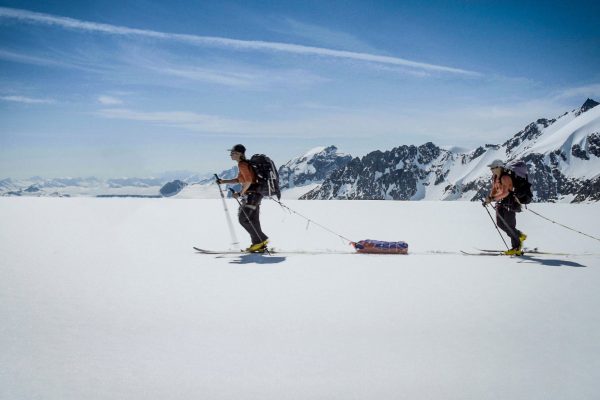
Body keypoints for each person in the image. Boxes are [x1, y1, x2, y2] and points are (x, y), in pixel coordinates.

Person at [217, 144, 269, 253]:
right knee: (253, 219)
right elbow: (240, 179)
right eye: (231, 152)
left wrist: (240, 193)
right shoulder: (245, 164)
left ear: (240, 154)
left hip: (252, 195)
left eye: (233, 152)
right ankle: (258, 243)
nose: (230, 154)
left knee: (243, 219)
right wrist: (224, 181)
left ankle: (260, 240)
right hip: (256, 194)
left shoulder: (242, 165)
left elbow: (248, 181)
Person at [484, 159, 527, 255]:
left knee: (509, 226)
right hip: (500, 203)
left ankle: (516, 247)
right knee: (500, 224)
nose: (491, 169)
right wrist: (490, 198)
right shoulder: (495, 177)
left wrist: (493, 198)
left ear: (499, 167)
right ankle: (519, 235)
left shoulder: (505, 178)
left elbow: (506, 192)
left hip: (509, 203)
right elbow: (494, 189)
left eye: (493, 167)